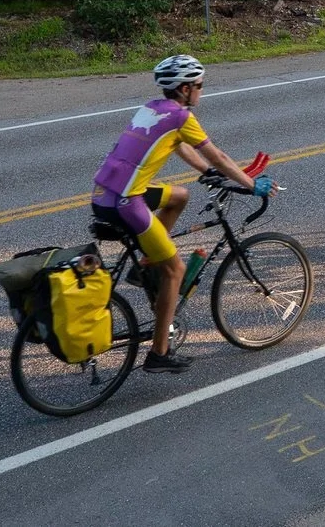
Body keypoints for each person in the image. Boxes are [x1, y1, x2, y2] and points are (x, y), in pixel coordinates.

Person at [91, 54, 270, 374]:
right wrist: (252, 183)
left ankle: (146, 265)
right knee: (175, 270)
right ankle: (159, 353)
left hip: (105, 193)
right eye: (199, 85)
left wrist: (204, 173)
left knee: (179, 196)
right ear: (185, 88)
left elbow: (177, 146)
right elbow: (220, 157)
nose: (201, 90)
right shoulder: (182, 117)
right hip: (125, 202)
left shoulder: (154, 109)